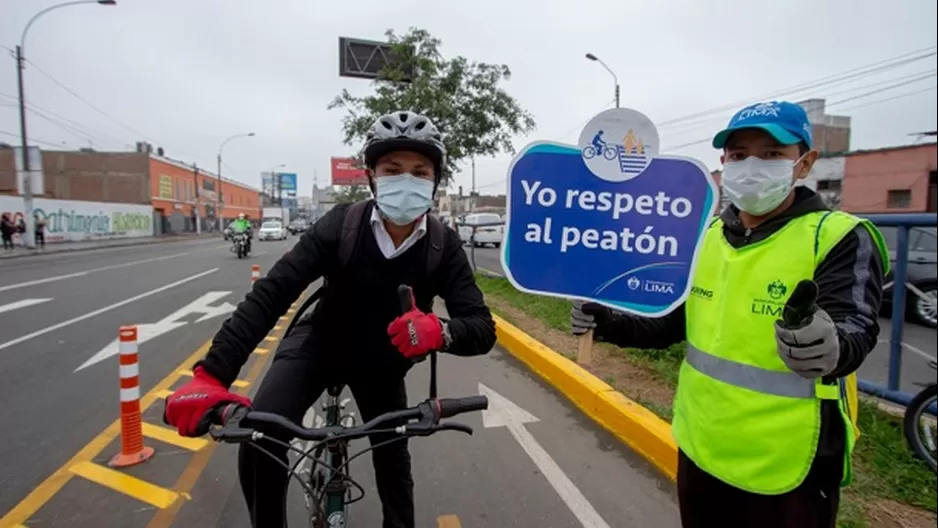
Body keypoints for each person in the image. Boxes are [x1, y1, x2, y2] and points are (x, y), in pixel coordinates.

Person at [163, 111, 497, 528]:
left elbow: (482, 328)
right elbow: (273, 294)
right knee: (260, 440)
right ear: (372, 176)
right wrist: (213, 375)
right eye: (393, 170)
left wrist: (442, 331)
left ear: (434, 181)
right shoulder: (342, 225)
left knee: (394, 462)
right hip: (318, 344)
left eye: (419, 172)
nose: (406, 181)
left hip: (383, 363)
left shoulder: (441, 244)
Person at [570, 101, 888, 528]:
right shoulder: (709, 237)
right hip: (702, 447)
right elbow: (670, 324)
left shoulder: (837, 236)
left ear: (805, 163)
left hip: (789, 463)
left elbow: (855, 327)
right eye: (739, 155)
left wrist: (826, 344)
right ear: (723, 162)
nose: (752, 165)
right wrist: (607, 322)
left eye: (772, 154)